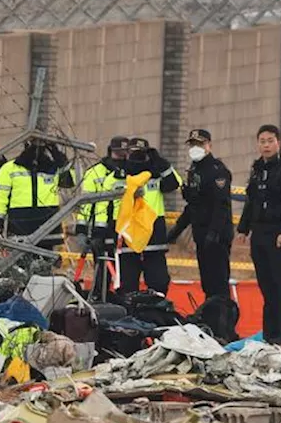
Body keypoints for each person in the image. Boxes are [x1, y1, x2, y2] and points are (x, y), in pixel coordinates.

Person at [236, 124, 281, 344]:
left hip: (278, 234)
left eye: (270, 141)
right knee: (265, 282)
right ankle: (271, 330)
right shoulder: (257, 170)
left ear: (278, 143)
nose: (266, 145)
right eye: (262, 141)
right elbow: (251, 200)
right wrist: (243, 228)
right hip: (260, 233)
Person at [169, 128, 233, 300]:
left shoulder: (217, 171)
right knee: (207, 283)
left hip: (216, 236)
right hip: (201, 234)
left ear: (209, 146)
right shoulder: (194, 171)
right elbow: (193, 205)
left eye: (200, 144)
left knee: (218, 283)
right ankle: (210, 317)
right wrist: (175, 231)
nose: (195, 148)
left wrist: (214, 233)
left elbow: (222, 206)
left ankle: (221, 319)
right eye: (193, 144)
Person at [116, 137, 181, 295]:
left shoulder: (156, 174)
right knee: (128, 284)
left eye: (141, 154)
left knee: (158, 281)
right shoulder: (120, 175)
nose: (137, 159)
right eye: (133, 154)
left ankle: (156, 313)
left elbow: (174, 183)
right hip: (129, 234)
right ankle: (129, 314)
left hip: (153, 234)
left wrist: (159, 162)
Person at [0, 137, 74, 250]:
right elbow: (1, 198)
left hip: (47, 222)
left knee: (44, 263)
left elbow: (69, 182)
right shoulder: (9, 169)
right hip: (20, 223)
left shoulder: (52, 168)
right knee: (21, 262)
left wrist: (60, 158)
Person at [75, 136, 131, 299]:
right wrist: (82, 229)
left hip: (127, 226)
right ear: (110, 152)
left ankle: (124, 297)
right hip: (102, 227)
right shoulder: (95, 172)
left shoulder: (133, 170)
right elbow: (85, 203)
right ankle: (100, 296)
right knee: (103, 266)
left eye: (125, 153)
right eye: (118, 154)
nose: (122, 157)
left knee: (125, 266)